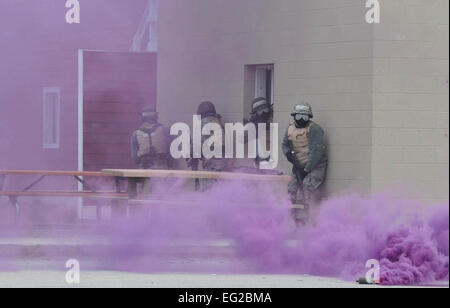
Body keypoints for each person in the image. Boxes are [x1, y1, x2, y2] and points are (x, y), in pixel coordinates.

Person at [282, 102, 328, 223]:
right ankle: (291, 218)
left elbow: (316, 152)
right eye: (299, 117)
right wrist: (289, 156)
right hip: (298, 165)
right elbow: (285, 145)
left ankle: (304, 220)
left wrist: (307, 169)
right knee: (291, 189)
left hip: (316, 166)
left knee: (306, 189)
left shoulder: (315, 130)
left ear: (309, 117)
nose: (301, 120)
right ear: (294, 116)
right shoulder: (290, 128)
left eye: (305, 117)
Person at [187, 101, 231, 191]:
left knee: (209, 190)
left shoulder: (202, 123)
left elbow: (195, 145)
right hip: (225, 164)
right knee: (223, 189)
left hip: (210, 164)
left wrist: (191, 156)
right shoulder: (220, 122)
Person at [130, 106, 170, 198]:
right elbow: (169, 152)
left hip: (144, 171)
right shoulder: (164, 130)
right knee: (163, 197)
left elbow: (135, 159)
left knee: (144, 198)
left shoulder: (135, 134)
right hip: (162, 170)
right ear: (155, 116)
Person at [244, 97, 274, 169]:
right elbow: (243, 139)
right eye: (260, 111)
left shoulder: (272, 118)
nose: (263, 113)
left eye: (265, 110)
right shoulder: (255, 122)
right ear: (256, 113)